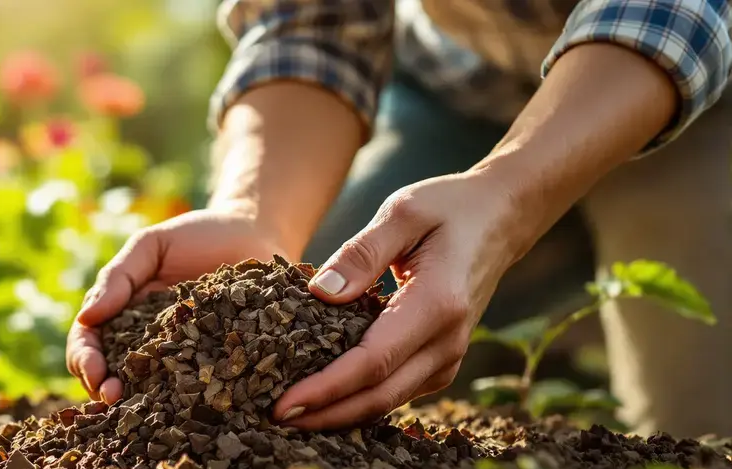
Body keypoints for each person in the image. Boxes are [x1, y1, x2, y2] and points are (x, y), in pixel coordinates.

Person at [67, 0, 732, 439]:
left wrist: (503, 203)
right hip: (461, 85)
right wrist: (255, 212)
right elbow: (310, 24)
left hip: (697, 86)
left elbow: (673, 14)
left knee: (701, 448)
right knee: (326, 329)